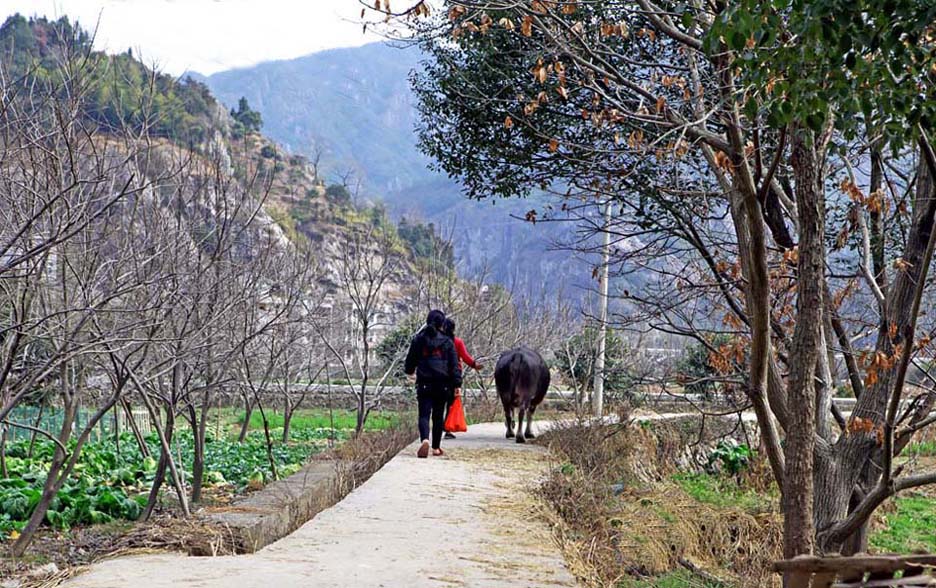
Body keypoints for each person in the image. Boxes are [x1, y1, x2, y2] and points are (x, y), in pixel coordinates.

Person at [404, 309, 462, 458]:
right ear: (442, 324)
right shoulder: (447, 341)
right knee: (438, 415)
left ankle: (424, 439)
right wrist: (457, 385)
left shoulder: (419, 339)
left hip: (424, 382)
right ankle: (436, 448)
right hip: (443, 384)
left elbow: (410, 362)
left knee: (424, 414)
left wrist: (410, 372)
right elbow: (454, 366)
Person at [441, 318, 483, 439]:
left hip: (439, 374)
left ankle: (438, 428)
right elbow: (465, 357)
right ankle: (447, 429)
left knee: (439, 403)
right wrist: (474, 365)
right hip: (454, 376)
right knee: (451, 402)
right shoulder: (457, 342)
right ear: (454, 329)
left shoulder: (439, 342)